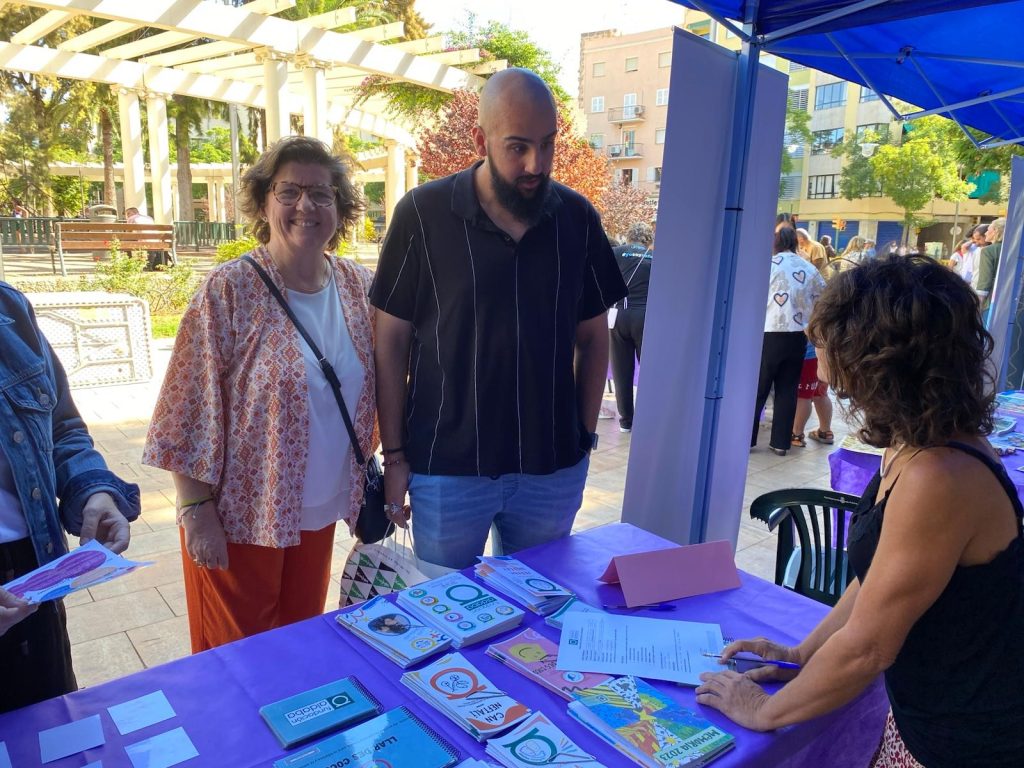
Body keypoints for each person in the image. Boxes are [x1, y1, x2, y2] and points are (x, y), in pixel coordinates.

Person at [699, 256, 1024, 767]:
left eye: (827, 342)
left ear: (877, 358)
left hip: (965, 738)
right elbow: (877, 578)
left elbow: (869, 648)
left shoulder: (938, 474)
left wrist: (765, 710)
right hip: (929, 714)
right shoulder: (916, 441)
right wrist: (802, 654)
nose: (818, 354)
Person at [369, 68, 626, 571]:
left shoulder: (577, 219)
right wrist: (395, 458)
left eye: (548, 144)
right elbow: (390, 342)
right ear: (479, 138)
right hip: (446, 468)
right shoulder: (422, 214)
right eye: (517, 147)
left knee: (536, 622)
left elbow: (595, 338)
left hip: (551, 470)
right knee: (445, 621)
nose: (537, 163)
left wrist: (583, 435)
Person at [143, 136, 375, 653]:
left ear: (340, 206)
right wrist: (195, 508)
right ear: (264, 201)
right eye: (288, 191)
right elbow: (185, 408)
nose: (305, 206)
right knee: (237, 660)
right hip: (241, 516)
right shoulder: (229, 290)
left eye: (321, 193)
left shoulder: (359, 287)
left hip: (316, 513)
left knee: (296, 650)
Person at [0, 283, 141, 712]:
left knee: (51, 731)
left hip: (29, 574)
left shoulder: (9, 308)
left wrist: (93, 489)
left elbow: (61, 428)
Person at [751, 226, 826, 456]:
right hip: (797, 335)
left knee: (759, 387)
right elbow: (823, 297)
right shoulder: (808, 268)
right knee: (787, 389)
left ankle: (747, 439)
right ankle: (781, 443)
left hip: (768, 332)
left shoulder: (767, 266)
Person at [609, 221, 654, 433]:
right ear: (648, 239)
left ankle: (626, 421)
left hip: (617, 316)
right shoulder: (655, 257)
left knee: (621, 370)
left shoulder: (616, 253)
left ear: (628, 236)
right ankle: (648, 418)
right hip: (646, 317)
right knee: (648, 370)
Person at [790, 341, 834, 448]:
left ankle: (797, 434)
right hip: (826, 354)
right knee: (821, 393)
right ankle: (825, 432)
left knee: (803, 396)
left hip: (809, 355)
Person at [975, 217, 1005, 314]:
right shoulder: (1010, 250)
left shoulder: (988, 251)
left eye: (988, 230)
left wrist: (979, 304)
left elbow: (985, 281)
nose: (986, 233)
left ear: (995, 231)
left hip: (991, 300)